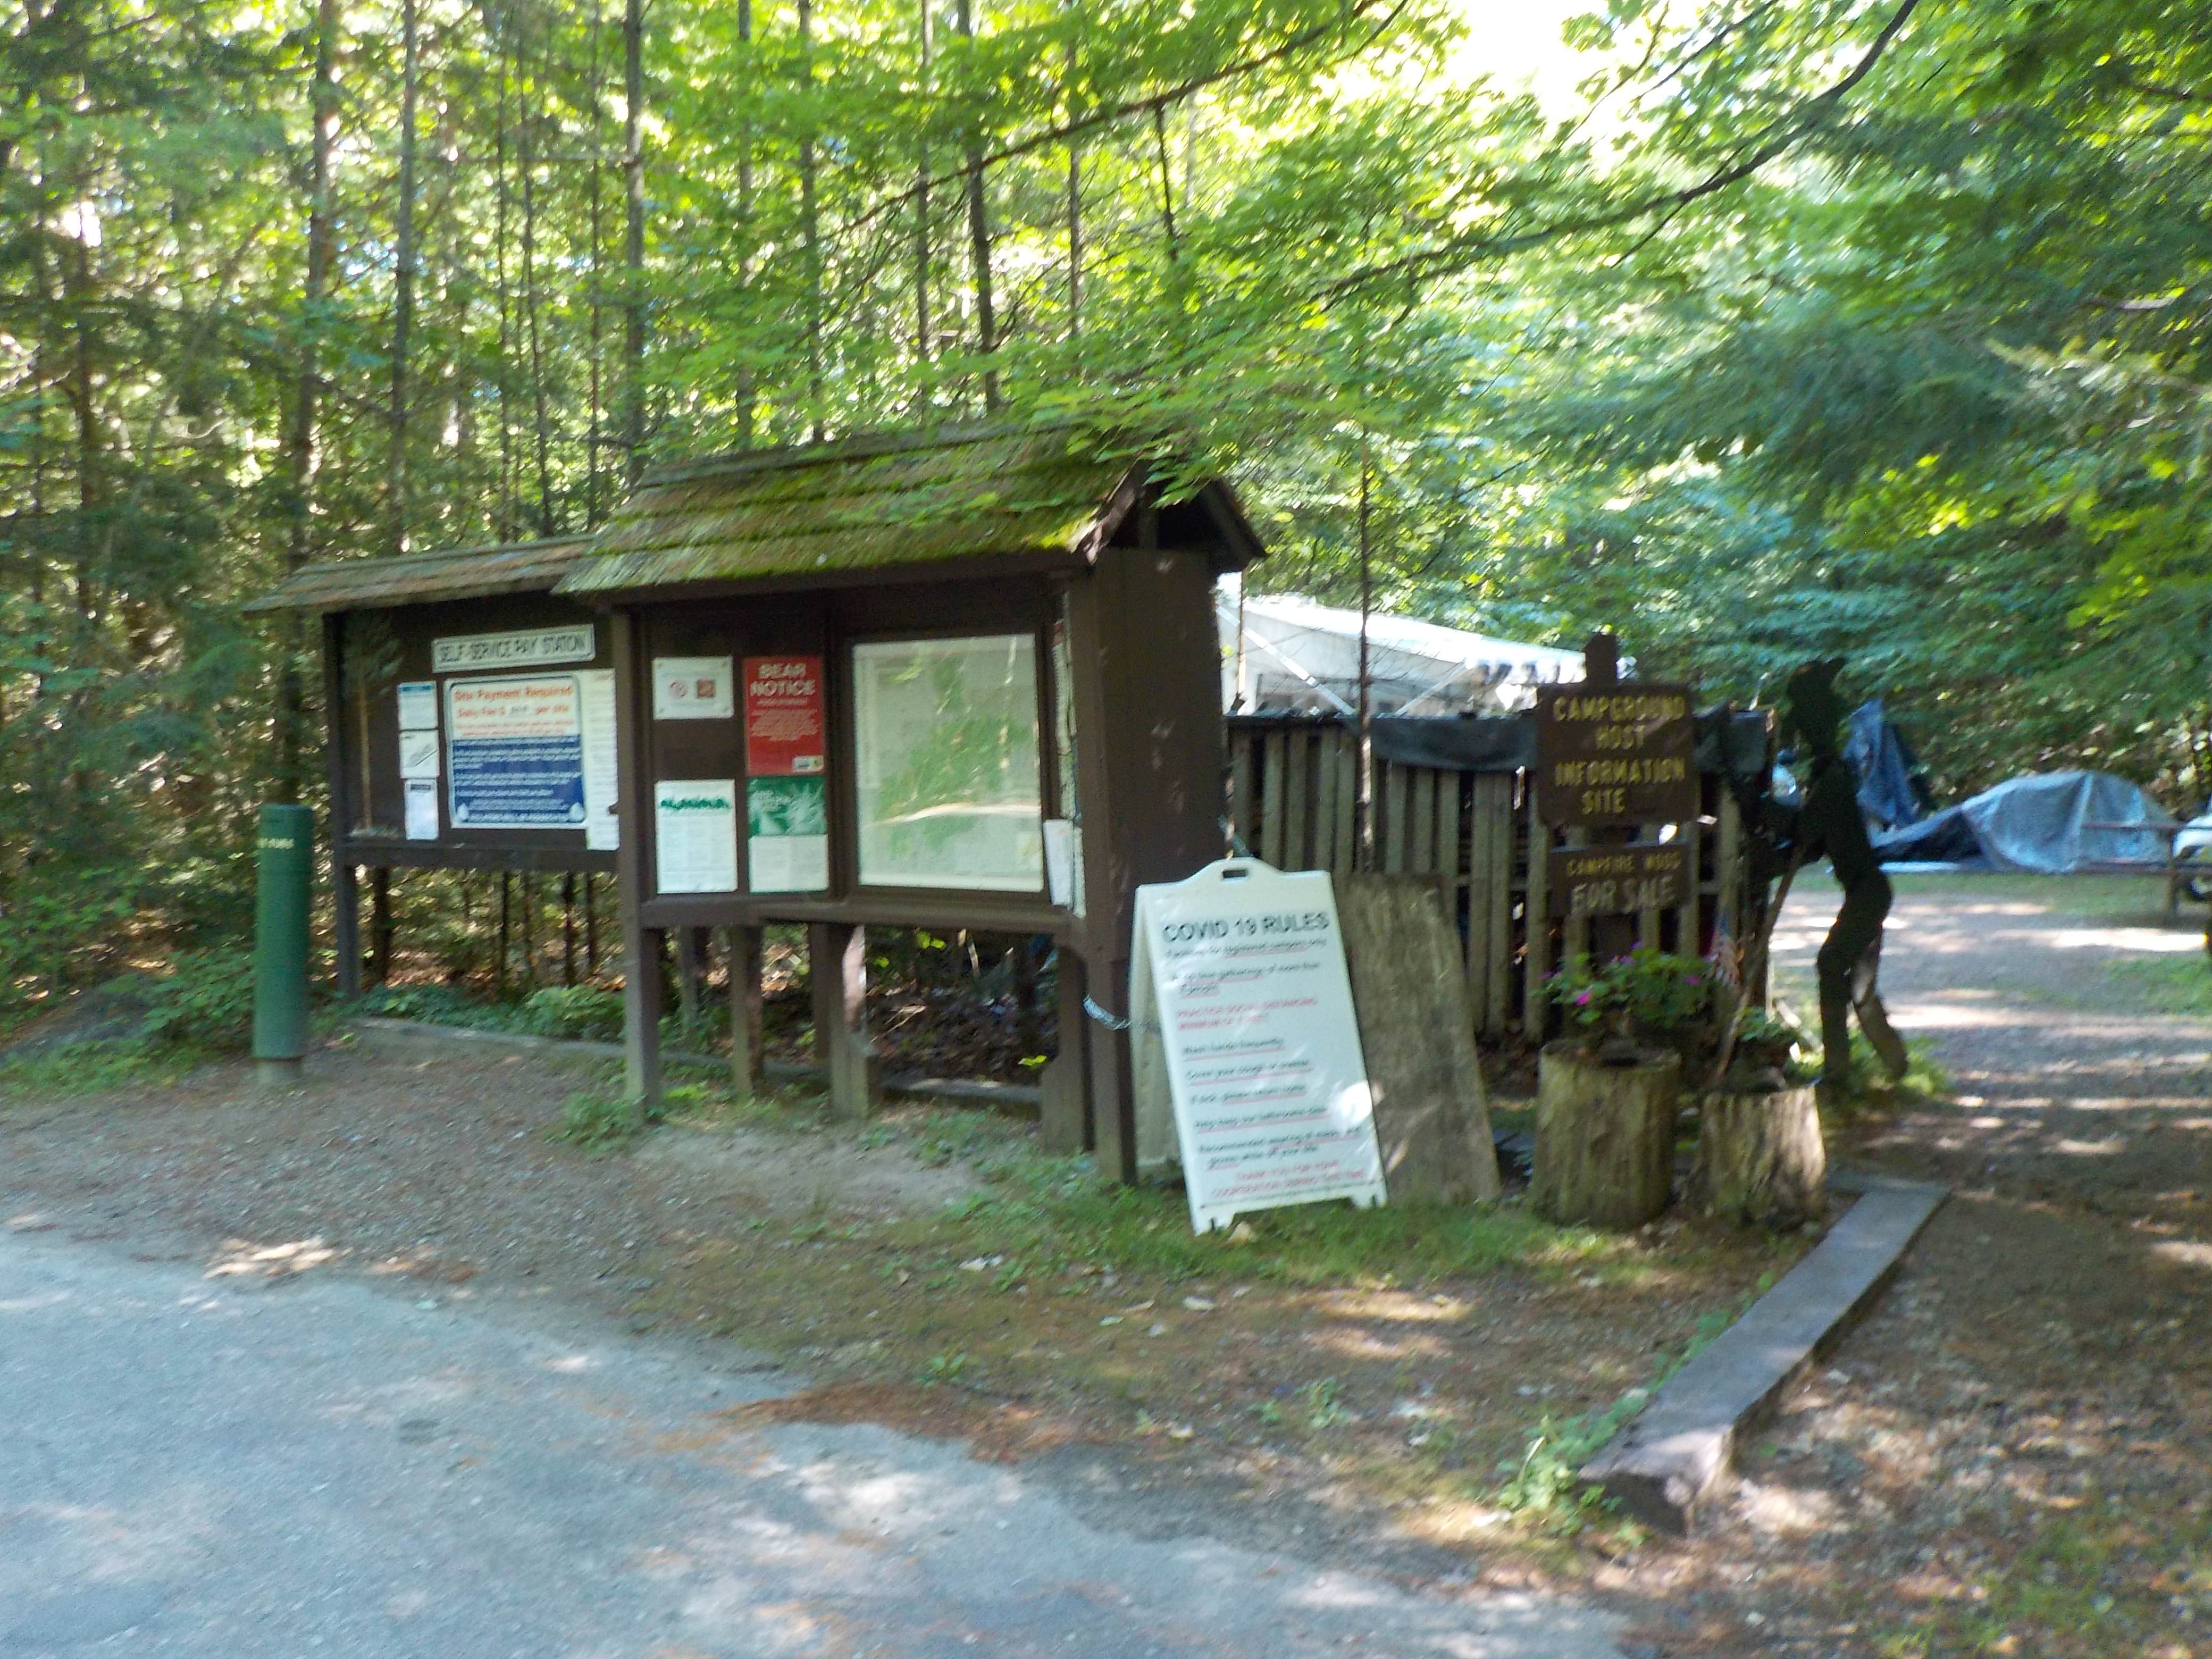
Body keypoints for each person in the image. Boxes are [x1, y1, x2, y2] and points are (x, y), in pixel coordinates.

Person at [1783, 659, 1909, 1095]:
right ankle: (1892, 1064)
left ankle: (1840, 1070)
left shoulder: (1831, 781)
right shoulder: (1831, 778)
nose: (1803, 738)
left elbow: (1804, 835)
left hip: (1868, 892)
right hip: (1868, 891)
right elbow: (1814, 844)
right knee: (1856, 982)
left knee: (1832, 965)